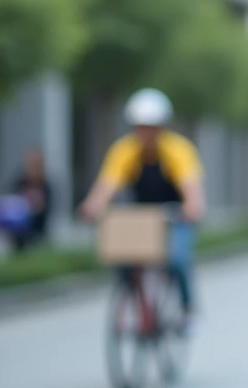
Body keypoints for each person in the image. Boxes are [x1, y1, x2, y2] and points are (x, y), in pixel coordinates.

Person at [78, 88, 206, 321]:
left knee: (177, 261)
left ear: (162, 127)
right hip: (142, 216)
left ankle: (188, 309)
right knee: (123, 260)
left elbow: (190, 186)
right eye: (140, 126)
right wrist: (91, 207)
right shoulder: (124, 150)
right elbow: (107, 184)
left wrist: (193, 206)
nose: (145, 132)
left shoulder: (178, 150)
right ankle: (137, 304)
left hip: (174, 215)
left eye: (151, 126)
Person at [6, 148, 52, 253]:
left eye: (36, 164)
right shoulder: (18, 183)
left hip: (38, 231)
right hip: (19, 232)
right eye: (31, 163)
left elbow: (48, 209)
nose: (33, 167)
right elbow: (11, 204)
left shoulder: (46, 186)